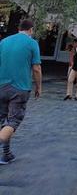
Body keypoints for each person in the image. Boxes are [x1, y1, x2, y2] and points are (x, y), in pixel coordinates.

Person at [0, 19, 41, 165]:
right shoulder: (32, 43)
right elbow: (36, 68)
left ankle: (6, 154)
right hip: (20, 87)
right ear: (30, 30)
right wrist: (38, 87)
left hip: (2, 85)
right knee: (13, 120)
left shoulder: (4, 42)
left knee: (2, 121)